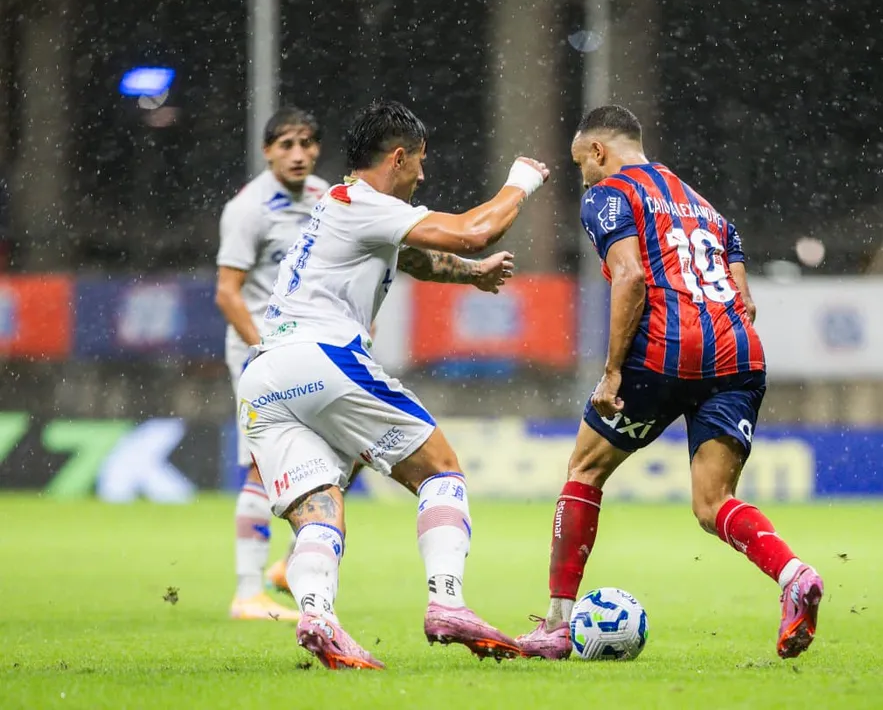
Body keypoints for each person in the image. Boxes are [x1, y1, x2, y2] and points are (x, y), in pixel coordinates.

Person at [238, 99, 549, 669]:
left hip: (263, 376)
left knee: (318, 508)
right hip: (321, 356)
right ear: (398, 157)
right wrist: (521, 182)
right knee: (440, 469)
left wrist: (472, 278)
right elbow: (472, 231)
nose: (423, 175)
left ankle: (317, 615)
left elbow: (420, 260)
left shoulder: (340, 206)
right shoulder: (366, 202)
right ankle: (448, 603)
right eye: (420, 163)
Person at [515, 106, 823, 660]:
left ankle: (558, 627)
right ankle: (794, 575)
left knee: (584, 469)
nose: (581, 174)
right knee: (713, 504)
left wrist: (612, 371)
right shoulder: (698, 201)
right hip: (738, 355)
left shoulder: (609, 194)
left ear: (598, 152)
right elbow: (740, 280)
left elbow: (630, 275)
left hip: (664, 353)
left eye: (580, 162)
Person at [216, 107, 329, 621]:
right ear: (267, 151)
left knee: (339, 451)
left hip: (310, 349)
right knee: (261, 465)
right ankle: (246, 593)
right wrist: (263, 351)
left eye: (307, 142)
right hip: (259, 352)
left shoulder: (325, 198)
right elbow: (228, 294)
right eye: (286, 144)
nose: (298, 153)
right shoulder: (249, 209)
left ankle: (285, 568)